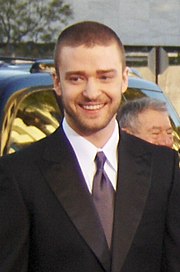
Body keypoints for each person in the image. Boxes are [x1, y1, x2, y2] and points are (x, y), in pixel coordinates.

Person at [0, 21, 180, 272]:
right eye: (77, 78)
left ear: (124, 79)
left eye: (105, 76)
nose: (92, 92)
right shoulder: (18, 175)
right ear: (58, 82)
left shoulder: (164, 168)